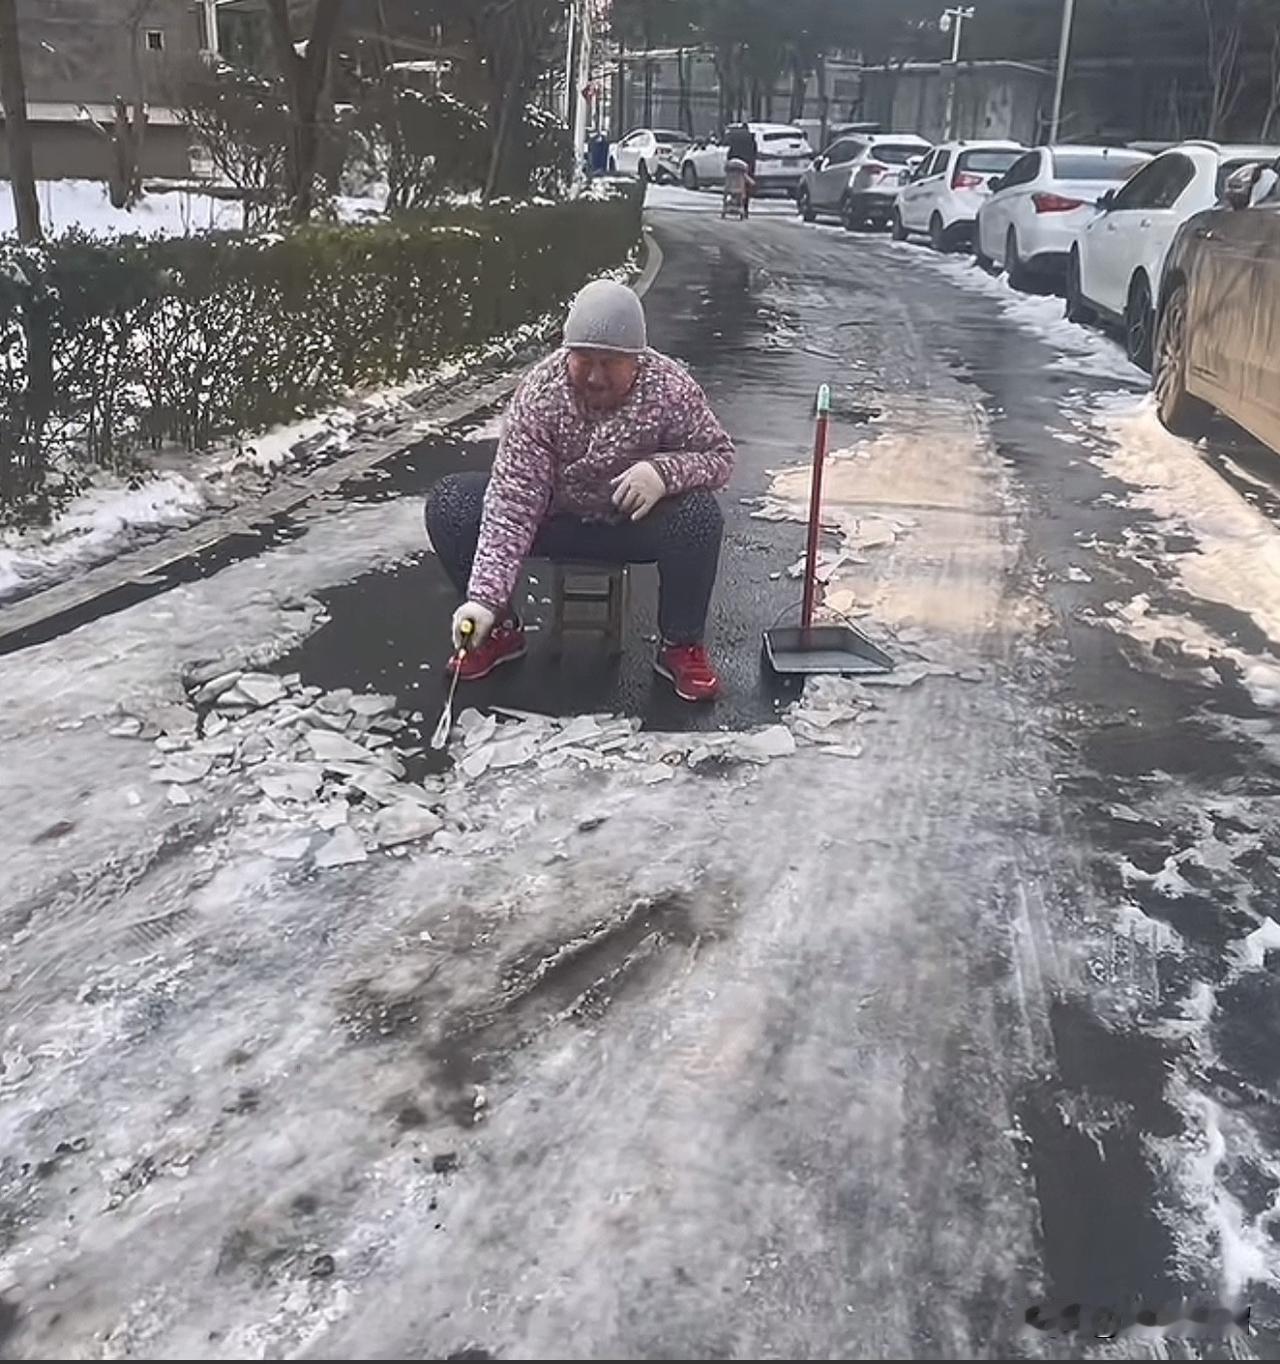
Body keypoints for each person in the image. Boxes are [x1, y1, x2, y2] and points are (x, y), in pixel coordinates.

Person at [424, 279, 735, 703]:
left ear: (637, 360)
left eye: (610, 363)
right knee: (451, 503)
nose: (594, 376)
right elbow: (513, 503)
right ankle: (498, 630)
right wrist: (484, 598)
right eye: (583, 359)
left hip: (631, 523)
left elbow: (719, 457)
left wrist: (663, 472)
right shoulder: (540, 394)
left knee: (699, 517)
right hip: (554, 516)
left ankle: (681, 644)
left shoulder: (671, 390)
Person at [723, 123, 758, 217]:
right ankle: (744, 207)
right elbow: (754, 151)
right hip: (747, 162)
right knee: (745, 186)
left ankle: (730, 202)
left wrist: (729, 161)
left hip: (734, 162)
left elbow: (730, 150)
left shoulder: (735, 137)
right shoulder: (750, 138)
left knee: (732, 184)